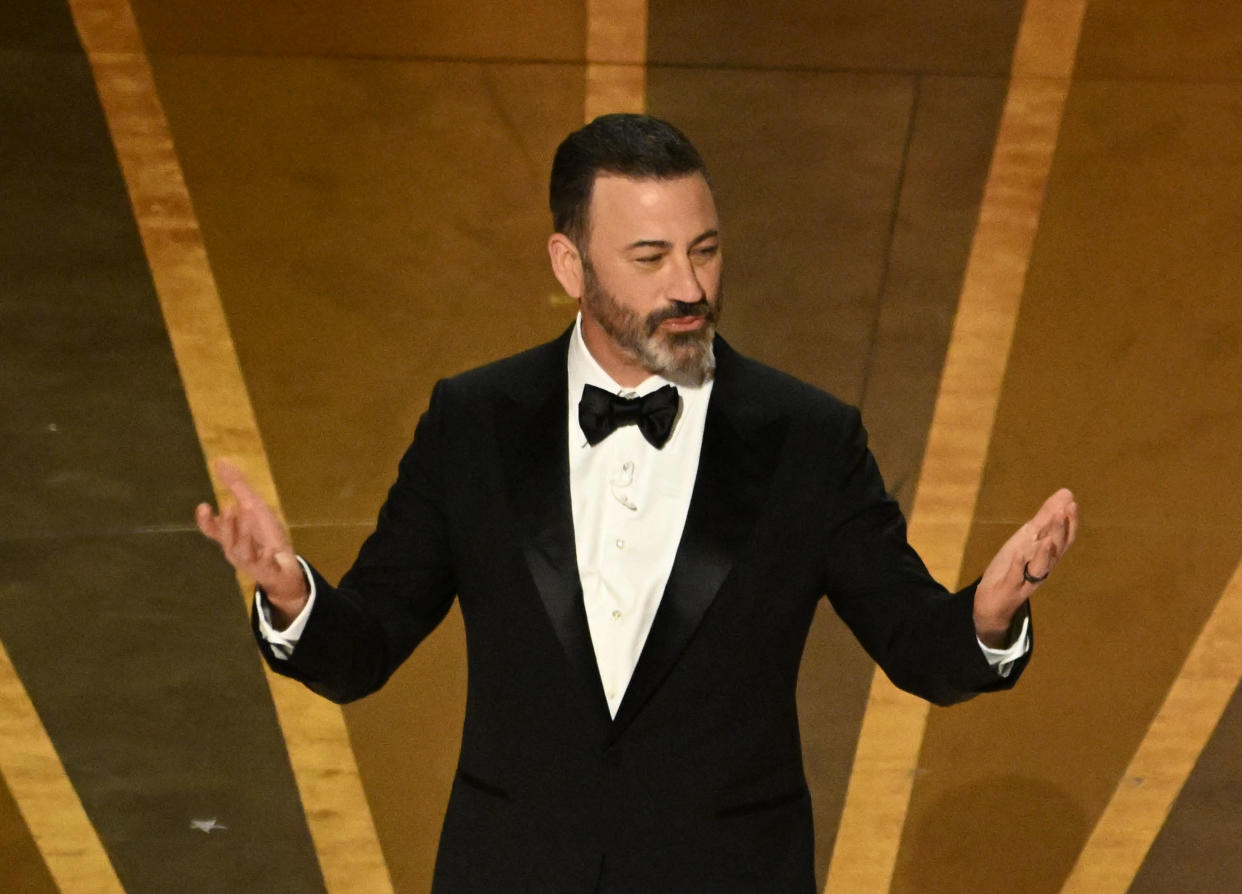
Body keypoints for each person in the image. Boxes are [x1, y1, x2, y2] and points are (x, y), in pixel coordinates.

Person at [195, 113, 1078, 893]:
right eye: (650, 258)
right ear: (569, 264)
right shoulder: (473, 423)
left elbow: (915, 641)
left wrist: (989, 617)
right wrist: (293, 596)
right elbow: (367, 646)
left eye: (705, 249)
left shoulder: (805, 438)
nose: (688, 286)